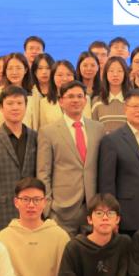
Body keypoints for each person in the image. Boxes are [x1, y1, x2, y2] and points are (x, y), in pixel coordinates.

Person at [38, 80, 104, 235]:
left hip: (92, 207)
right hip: (61, 209)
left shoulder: (98, 128)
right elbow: (43, 172)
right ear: (61, 101)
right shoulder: (48, 132)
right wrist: (48, 207)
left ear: (85, 100)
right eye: (70, 96)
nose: (76, 100)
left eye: (80, 96)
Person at [97, 89, 139, 234]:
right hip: (127, 215)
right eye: (135, 106)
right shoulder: (111, 140)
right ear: (125, 109)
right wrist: (111, 216)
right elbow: (106, 184)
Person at [0, 85, 39, 234]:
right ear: (1, 108)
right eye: (10, 103)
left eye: (19, 103)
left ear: (26, 106)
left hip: (33, 213)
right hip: (1, 215)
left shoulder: (36, 138)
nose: (15, 107)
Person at [0, 52, 35, 131]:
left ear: (25, 70)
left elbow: (36, 125)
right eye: (10, 68)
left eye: (18, 68)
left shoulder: (34, 94)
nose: (14, 72)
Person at [91, 57, 130, 135]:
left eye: (120, 71)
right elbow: (93, 129)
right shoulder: (97, 101)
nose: (115, 74)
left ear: (125, 74)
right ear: (106, 74)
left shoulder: (132, 100)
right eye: (111, 71)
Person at [38, 60, 78, 129]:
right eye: (60, 75)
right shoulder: (44, 103)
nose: (64, 79)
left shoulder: (84, 98)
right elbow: (43, 130)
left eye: (69, 75)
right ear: (52, 77)